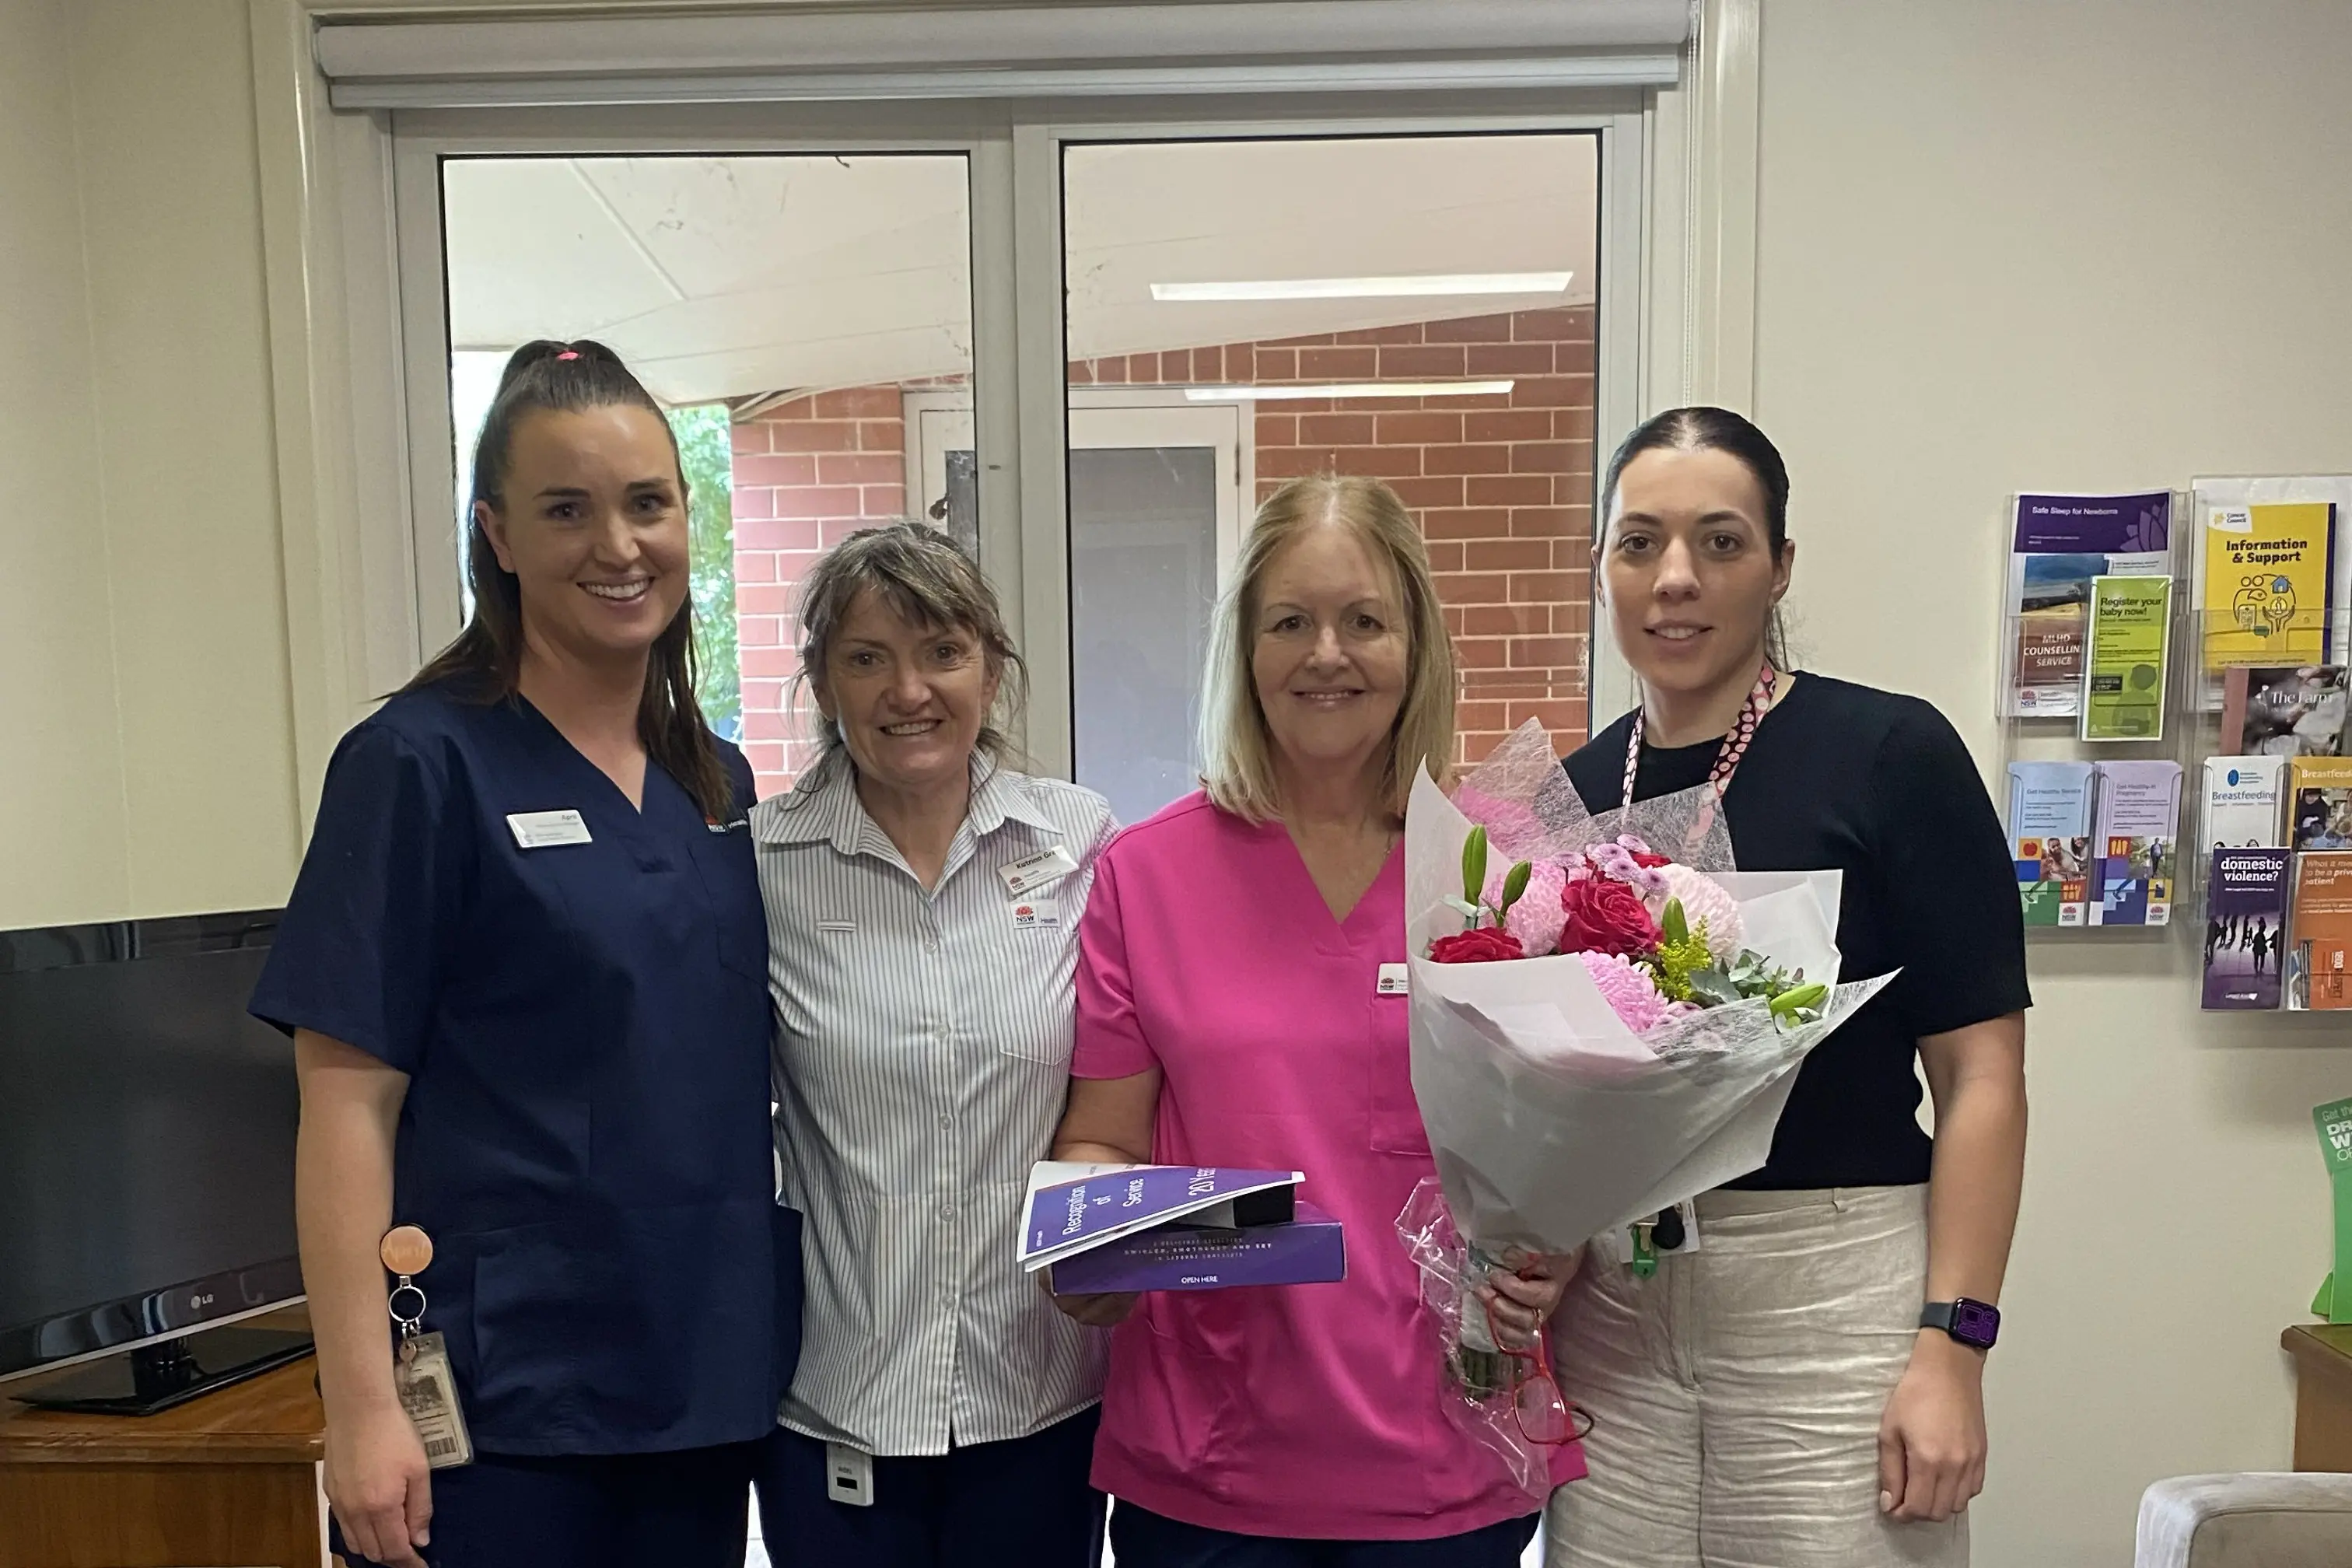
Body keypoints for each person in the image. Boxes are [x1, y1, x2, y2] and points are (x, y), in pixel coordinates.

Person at [250, 341, 796, 1568]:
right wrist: (361, 1406)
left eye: (647, 503)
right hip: (506, 1404)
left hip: (696, 1382)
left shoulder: (715, 780)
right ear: (497, 535)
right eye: (568, 510)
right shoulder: (417, 765)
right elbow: (344, 1101)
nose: (618, 546)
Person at [1049, 474, 1584, 1565]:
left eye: (1364, 621)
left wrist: (1558, 1252)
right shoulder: (1144, 875)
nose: (1326, 654)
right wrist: (1093, 1253)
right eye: (1290, 622)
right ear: (1244, 649)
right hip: (1212, 1463)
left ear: (1416, 643)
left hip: (1450, 1449)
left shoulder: (1506, 866)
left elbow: (1572, 1141)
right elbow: (1103, 1133)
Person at [1550, 408, 2031, 1567]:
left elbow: (1982, 1075)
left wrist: (1953, 1346)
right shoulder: (1569, 796)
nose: (1676, 579)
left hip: (1833, 1299)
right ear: (1606, 568)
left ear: (1779, 569)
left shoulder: (1889, 755)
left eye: (1720, 543)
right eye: (1640, 543)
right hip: (1617, 1317)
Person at [751, 522, 1115, 1566]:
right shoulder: (763, 866)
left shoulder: (1078, 843)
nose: (908, 690)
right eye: (867, 658)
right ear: (822, 681)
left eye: (942, 652)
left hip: (1041, 1397)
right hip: (838, 1402)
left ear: (992, 668)